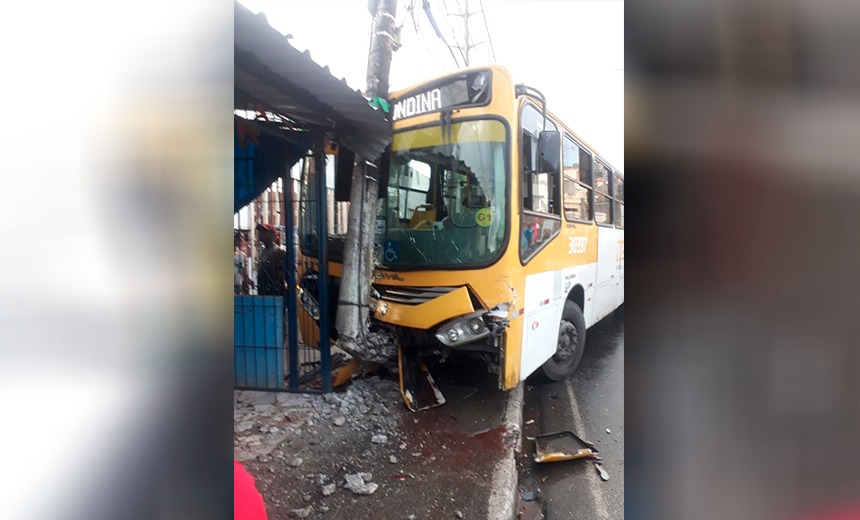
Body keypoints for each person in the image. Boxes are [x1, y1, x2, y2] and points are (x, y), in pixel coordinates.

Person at [256, 224, 286, 296]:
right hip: (262, 291)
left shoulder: (279, 252)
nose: (260, 233)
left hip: (273, 292)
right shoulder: (262, 252)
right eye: (260, 231)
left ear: (272, 235)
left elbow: (281, 275)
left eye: (264, 231)